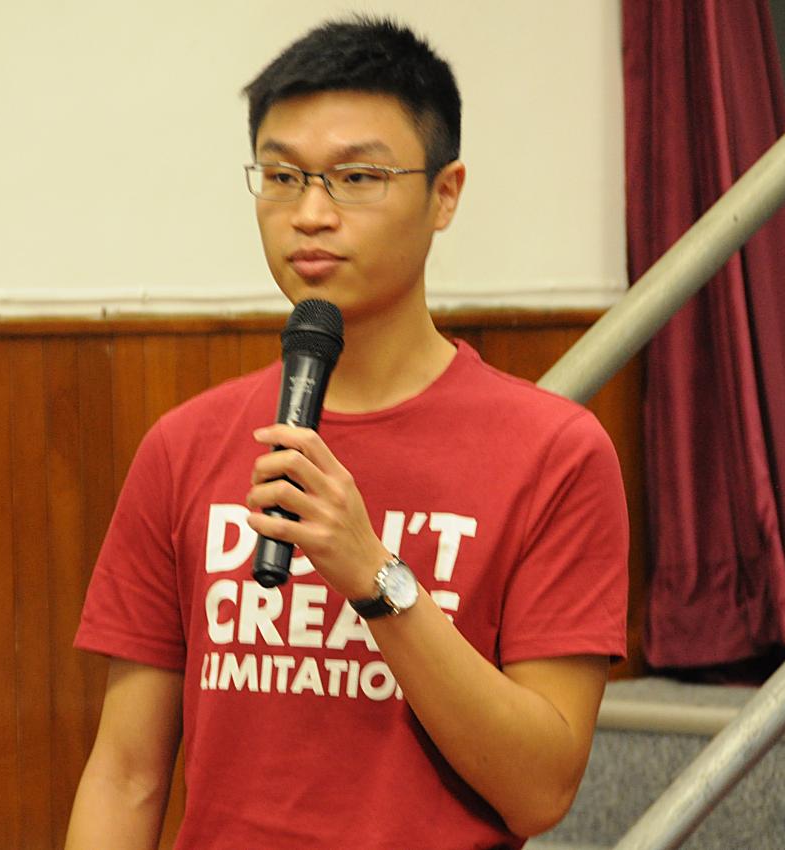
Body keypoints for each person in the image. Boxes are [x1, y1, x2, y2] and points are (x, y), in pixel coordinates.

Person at [66, 16, 627, 849]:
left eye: (356, 177)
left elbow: (540, 790)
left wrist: (373, 573)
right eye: (282, 176)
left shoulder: (555, 453)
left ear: (445, 194)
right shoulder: (184, 446)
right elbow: (125, 775)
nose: (310, 214)